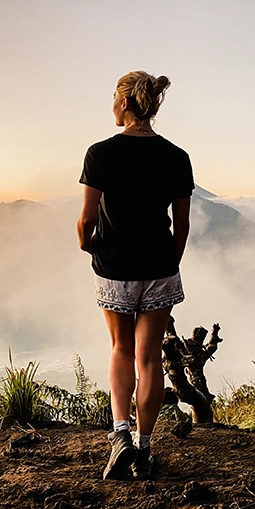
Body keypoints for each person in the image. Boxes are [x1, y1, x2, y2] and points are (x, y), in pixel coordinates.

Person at [77, 71, 194, 480]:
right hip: (160, 265)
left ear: (125, 103)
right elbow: (181, 225)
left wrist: (87, 245)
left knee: (120, 349)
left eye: (113, 96)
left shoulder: (100, 153)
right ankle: (144, 450)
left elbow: (86, 219)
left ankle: (120, 436)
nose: (111, 103)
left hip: (115, 267)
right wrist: (170, 261)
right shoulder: (177, 157)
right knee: (150, 358)